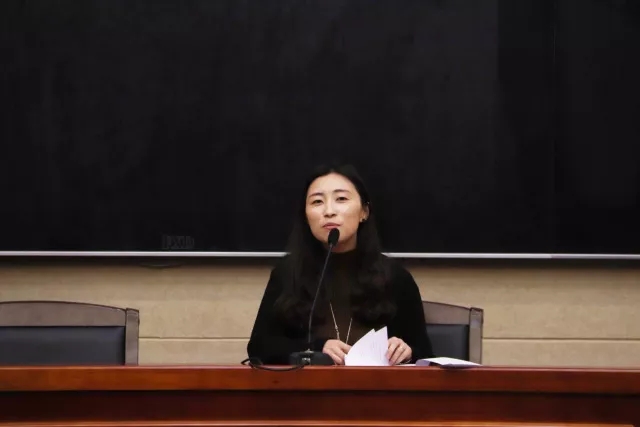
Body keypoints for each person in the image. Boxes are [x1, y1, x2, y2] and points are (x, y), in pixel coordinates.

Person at [247, 163, 434, 365]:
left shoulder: (396, 277)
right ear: (306, 216)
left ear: (364, 212)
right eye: (317, 202)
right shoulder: (288, 272)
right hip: (309, 385)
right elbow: (259, 348)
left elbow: (425, 354)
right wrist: (315, 349)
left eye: (341, 199)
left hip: (377, 384)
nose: (329, 211)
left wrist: (407, 351)